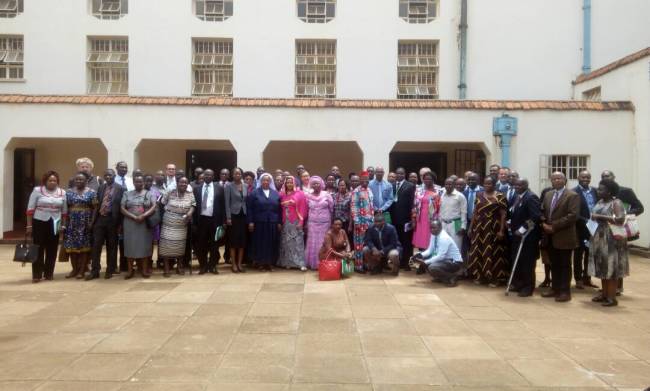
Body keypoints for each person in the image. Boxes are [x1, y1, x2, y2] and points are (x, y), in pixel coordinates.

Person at [601, 170, 643, 295]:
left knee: (618, 259)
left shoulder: (626, 191)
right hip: (605, 232)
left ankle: (618, 287)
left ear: (614, 177)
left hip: (620, 230)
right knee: (607, 260)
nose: (605, 178)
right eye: (603, 176)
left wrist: (623, 215)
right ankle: (608, 288)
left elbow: (639, 208)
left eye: (607, 176)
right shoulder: (602, 193)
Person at [540, 171, 580, 302]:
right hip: (550, 237)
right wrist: (543, 223)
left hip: (564, 236)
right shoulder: (548, 194)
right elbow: (544, 211)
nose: (556, 180)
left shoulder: (572, 195)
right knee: (553, 264)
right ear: (551, 181)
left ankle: (565, 292)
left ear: (565, 180)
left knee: (565, 265)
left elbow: (572, 216)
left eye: (559, 178)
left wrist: (554, 226)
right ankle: (554, 288)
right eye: (554, 179)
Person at [589, 179, 629, 307]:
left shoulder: (616, 202)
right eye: (599, 189)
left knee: (611, 268)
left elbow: (620, 219)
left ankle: (612, 297)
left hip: (612, 239)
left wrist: (599, 217)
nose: (598, 191)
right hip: (599, 237)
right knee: (602, 267)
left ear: (609, 191)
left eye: (601, 189)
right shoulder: (600, 201)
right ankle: (604, 294)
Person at [26, 171, 68, 283]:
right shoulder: (37, 190)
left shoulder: (62, 192)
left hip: (56, 222)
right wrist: (29, 225)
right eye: (50, 180)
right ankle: (37, 274)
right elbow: (30, 209)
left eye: (55, 180)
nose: (53, 182)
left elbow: (64, 211)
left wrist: (63, 225)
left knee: (52, 248)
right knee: (38, 248)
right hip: (39, 221)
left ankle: (49, 273)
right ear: (45, 181)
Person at [467, 176, 507, 287]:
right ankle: (481, 276)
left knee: (493, 252)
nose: (487, 186)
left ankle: (495, 278)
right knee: (478, 250)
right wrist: (471, 228)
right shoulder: (479, 195)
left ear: (494, 185)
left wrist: (501, 230)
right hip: (479, 228)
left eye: (489, 184)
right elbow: (475, 212)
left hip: (493, 228)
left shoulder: (500, 196)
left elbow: (503, 214)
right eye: (485, 183)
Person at [507, 178, 542, 297]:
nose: (517, 187)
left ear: (526, 185)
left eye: (520, 185)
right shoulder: (517, 197)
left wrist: (522, 230)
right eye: (515, 185)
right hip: (516, 236)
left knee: (527, 263)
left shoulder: (531, 197)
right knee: (518, 261)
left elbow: (535, 217)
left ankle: (528, 287)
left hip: (528, 237)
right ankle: (518, 284)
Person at [87, 169, 123, 280]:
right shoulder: (101, 187)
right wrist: (92, 221)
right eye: (106, 175)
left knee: (111, 246)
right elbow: (97, 205)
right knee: (96, 246)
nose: (108, 177)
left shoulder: (120, 188)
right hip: (100, 219)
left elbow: (122, 207)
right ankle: (95, 270)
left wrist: (120, 224)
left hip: (113, 220)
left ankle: (110, 270)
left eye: (110, 175)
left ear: (114, 176)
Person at [120, 173, 157, 279]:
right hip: (130, 223)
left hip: (144, 223)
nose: (138, 183)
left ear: (144, 182)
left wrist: (143, 215)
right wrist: (133, 217)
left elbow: (153, 206)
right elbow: (122, 208)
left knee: (144, 247)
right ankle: (130, 271)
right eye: (136, 181)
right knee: (130, 247)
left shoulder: (149, 194)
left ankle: (144, 270)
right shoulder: (127, 194)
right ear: (133, 182)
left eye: (141, 181)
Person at [63, 172, 98, 280]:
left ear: (86, 181)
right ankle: (74, 269)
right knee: (71, 248)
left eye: (81, 180)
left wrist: (92, 222)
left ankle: (82, 270)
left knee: (84, 248)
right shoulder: (68, 192)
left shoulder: (92, 192)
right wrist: (65, 223)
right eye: (77, 179)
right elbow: (65, 208)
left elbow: (95, 208)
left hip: (85, 222)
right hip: (72, 222)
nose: (78, 181)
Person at [158, 177, 196, 277]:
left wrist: (189, 213)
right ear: (177, 183)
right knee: (166, 244)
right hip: (169, 221)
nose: (183, 184)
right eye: (181, 182)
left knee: (180, 245)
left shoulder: (189, 192)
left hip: (182, 222)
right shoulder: (170, 191)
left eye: (185, 182)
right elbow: (162, 202)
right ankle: (166, 268)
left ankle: (179, 266)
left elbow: (193, 204)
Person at [410, 220, 463, 287]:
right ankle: (441, 277)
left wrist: (425, 262)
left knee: (432, 267)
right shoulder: (434, 235)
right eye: (431, 228)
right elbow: (430, 250)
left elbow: (440, 256)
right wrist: (420, 255)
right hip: (445, 260)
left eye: (434, 228)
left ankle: (451, 277)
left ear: (440, 227)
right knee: (427, 262)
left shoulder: (444, 238)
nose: (432, 230)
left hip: (454, 262)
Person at [193, 169, 226, 274]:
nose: (207, 176)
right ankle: (203, 266)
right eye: (206, 175)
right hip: (201, 220)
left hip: (215, 220)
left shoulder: (219, 189)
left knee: (214, 244)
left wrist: (223, 221)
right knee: (201, 244)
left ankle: (212, 266)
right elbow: (194, 206)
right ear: (203, 176)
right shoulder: (197, 189)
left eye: (210, 175)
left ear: (213, 176)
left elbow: (223, 206)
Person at [247, 173, 281, 271]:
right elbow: (250, 208)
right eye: (263, 180)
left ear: (270, 182)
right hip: (259, 223)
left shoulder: (275, 193)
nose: (265, 182)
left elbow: (279, 209)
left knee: (271, 243)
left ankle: (269, 263)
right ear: (260, 181)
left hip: (272, 223)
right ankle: (261, 263)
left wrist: (279, 222)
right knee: (260, 243)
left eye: (267, 180)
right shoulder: (254, 193)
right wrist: (250, 222)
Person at [572, 170, 598, 289]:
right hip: (580, 228)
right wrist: (587, 222)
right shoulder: (573, 192)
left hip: (595, 228)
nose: (586, 179)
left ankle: (587, 278)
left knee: (590, 254)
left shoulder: (595, 191)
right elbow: (574, 213)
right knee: (578, 254)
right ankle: (578, 279)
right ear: (578, 178)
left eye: (588, 177)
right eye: (583, 177)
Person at [304, 176, 334, 270]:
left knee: (323, 242)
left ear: (321, 184)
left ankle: (323, 262)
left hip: (325, 223)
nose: (316, 185)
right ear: (311, 185)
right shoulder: (308, 196)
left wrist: (331, 222)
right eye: (313, 183)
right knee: (312, 243)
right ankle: (313, 263)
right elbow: (306, 210)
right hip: (312, 223)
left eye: (317, 183)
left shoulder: (327, 195)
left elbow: (332, 209)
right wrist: (305, 223)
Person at [279, 176, 308, 271]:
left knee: (298, 242)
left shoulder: (300, 193)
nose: (289, 184)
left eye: (291, 182)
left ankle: (300, 263)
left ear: (294, 183)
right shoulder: (282, 194)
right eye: (288, 182)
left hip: (296, 220)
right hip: (286, 221)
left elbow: (303, 208)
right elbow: (280, 204)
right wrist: (287, 203)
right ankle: (288, 262)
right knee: (287, 243)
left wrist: (301, 221)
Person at [390, 167, 416, 270]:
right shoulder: (391, 186)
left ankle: (407, 263)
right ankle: (398, 261)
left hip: (405, 220)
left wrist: (411, 219)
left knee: (407, 242)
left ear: (405, 174)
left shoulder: (410, 186)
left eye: (401, 174)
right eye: (398, 174)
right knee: (397, 241)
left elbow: (412, 203)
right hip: (394, 219)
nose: (399, 175)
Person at [225, 167, 249, 273]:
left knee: (242, 241)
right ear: (232, 175)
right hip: (233, 217)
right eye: (235, 173)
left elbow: (246, 201)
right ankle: (233, 264)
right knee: (233, 242)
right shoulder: (228, 186)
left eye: (239, 173)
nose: (237, 175)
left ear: (241, 175)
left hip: (243, 216)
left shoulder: (245, 186)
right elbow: (227, 203)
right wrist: (228, 217)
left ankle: (240, 263)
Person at [351, 171, 374, 272]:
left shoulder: (369, 190)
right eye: (363, 180)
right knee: (359, 245)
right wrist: (356, 221)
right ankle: (358, 266)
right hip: (360, 222)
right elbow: (354, 206)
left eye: (367, 180)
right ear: (360, 180)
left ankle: (366, 264)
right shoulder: (356, 191)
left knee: (366, 244)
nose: (365, 181)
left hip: (369, 222)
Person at [412, 171, 440, 251]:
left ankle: (430, 257)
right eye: (425, 179)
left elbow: (439, 207)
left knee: (430, 237)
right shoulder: (419, 190)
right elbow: (414, 205)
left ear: (433, 180)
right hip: (420, 218)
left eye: (430, 179)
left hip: (431, 218)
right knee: (421, 239)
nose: (427, 181)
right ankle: (422, 258)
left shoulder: (438, 190)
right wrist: (413, 219)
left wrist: (437, 220)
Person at [439, 176, 467, 252]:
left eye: (450, 184)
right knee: (444, 245)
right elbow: (440, 211)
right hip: (443, 223)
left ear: (454, 185)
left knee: (456, 247)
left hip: (456, 223)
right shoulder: (441, 195)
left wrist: (463, 226)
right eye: (446, 184)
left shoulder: (460, 196)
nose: (448, 186)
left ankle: (456, 263)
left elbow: (464, 212)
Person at [461, 172, 483, 261]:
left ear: (478, 180)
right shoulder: (463, 193)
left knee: (478, 245)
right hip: (466, 222)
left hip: (480, 222)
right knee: (465, 246)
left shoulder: (483, 191)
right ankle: (466, 268)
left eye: (473, 179)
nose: (470, 181)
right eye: (469, 179)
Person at [144, 173, 162, 275]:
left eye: (150, 181)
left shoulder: (156, 192)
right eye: (146, 180)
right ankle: (142, 263)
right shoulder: (139, 191)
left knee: (152, 243)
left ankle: (150, 263)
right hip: (141, 221)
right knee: (144, 243)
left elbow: (158, 206)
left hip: (153, 221)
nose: (148, 183)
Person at [333, 178, 352, 244]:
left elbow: (351, 211)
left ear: (346, 186)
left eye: (343, 185)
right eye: (340, 185)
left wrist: (350, 225)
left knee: (346, 239)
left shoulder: (350, 196)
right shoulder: (335, 196)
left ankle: (348, 253)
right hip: (337, 223)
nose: (341, 187)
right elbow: (333, 209)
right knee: (337, 239)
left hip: (346, 222)